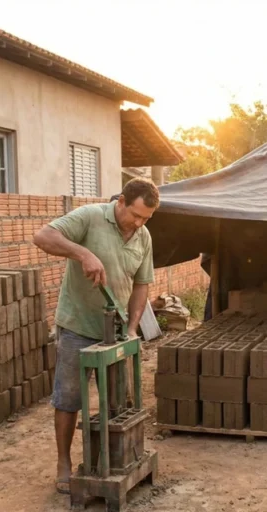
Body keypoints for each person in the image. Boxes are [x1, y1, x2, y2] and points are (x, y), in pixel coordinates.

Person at [33, 178, 160, 495]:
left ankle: (113, 458)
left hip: (115, 330)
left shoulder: (143, 237)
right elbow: (43, 236)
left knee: (119, 399)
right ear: (121, 202)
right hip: (78, 324)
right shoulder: (90, 217)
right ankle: (64, 464)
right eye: (135, 215)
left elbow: (142, 284)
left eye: (147, 218)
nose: (139, 223)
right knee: (69, 397)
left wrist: (131, 328)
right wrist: (82, 254)